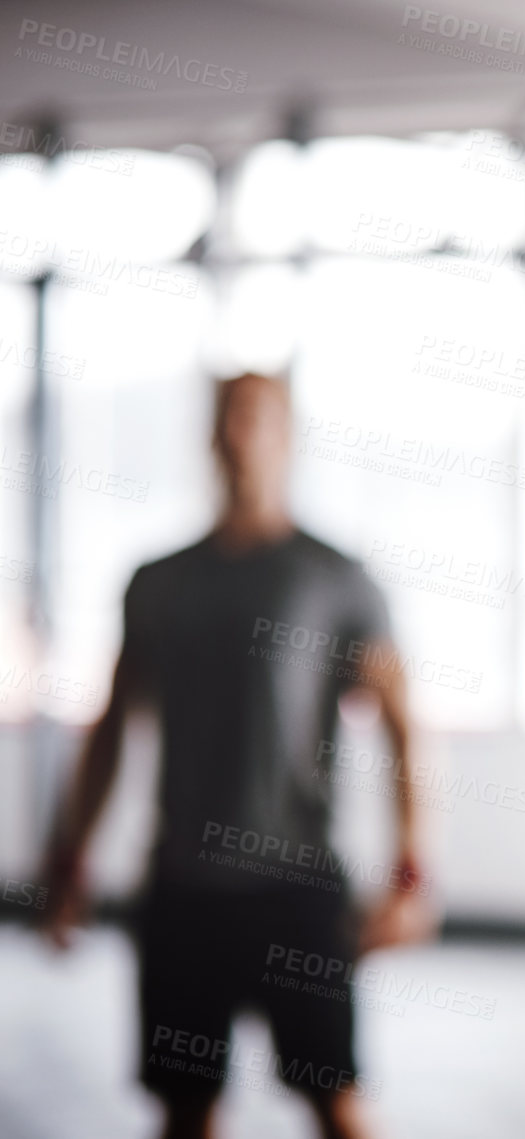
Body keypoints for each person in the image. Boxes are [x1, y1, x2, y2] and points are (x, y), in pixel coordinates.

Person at [37, 372, 431, 1139]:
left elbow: (403, 726)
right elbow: (113, 727)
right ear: (210, 436)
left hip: (299, 885)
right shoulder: (157, 582)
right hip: (185, 885)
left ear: (288, 437)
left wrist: (413, 865)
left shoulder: (338, 578)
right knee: (186, 1108)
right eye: (229, 420)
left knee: (337, 1102)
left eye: (259, 420)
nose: (242, 437)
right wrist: (70, 856)